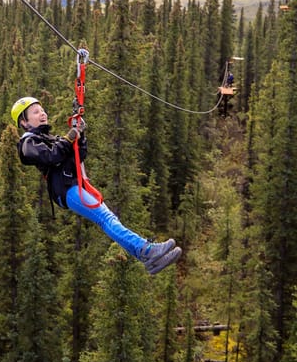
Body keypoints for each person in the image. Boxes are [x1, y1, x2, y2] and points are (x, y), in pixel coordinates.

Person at [11, 96, 182, 275]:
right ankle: (148, 251)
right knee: (106, 219)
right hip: (66, 189)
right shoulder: (27, 144)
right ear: (24, 122)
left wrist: (80, 134)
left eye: (42, 110)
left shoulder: (49, 138)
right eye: (36, 112)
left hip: (73, 185)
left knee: (109, 219)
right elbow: (52, 156)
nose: (42, 113)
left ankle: (147, 258)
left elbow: (79, 155)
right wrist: (69, 138)